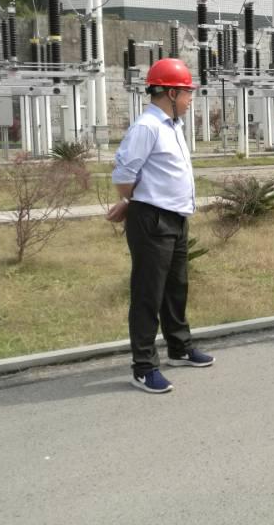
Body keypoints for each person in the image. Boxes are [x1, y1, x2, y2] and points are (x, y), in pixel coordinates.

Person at [107, 58, 214, 394]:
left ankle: (179, 347)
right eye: (186, 92)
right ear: (170, 93)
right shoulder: (147, 127)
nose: (190, 98)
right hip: (153, 220)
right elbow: (124, 175)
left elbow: (154, 174)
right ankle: (143, 367)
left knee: (175, 288)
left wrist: (134, 200)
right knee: (147, 295)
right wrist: (134, 201)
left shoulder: (172, 125)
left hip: (175, 219)